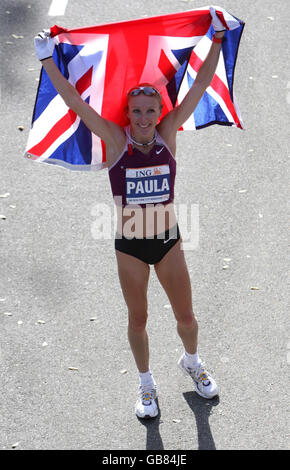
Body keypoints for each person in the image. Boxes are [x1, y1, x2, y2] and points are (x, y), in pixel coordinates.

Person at [34, 7, 225, 419]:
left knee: (186, 317)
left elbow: (200, 85)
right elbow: (74, 102)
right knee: (138, 319)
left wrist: (217, 41)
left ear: (160, 113)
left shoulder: (169, 133)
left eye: (149, 111)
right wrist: (48, 59)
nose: (142, 118)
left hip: (169, 238)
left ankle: (192, 362)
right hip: (130, 245)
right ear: (128, 114)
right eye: (136, 111)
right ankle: (146, 386)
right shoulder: (115, 138)